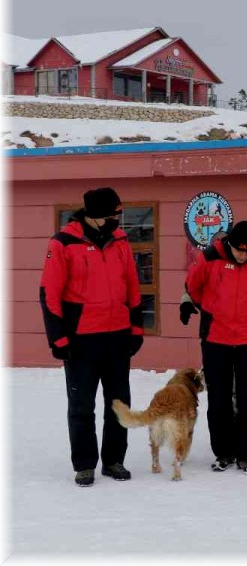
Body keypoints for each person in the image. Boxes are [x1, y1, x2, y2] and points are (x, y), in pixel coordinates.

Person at [40, 187, 144, 487]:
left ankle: (114, 461)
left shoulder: (121, 242)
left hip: (117, 337)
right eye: (114, 214)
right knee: (82, 406)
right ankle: (85, 464)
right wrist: (57, 338)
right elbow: (49, 293)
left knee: (119, 404)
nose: (117, 220)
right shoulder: (63, 243)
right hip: (81, 341)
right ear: (97, 215)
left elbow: (133, 287)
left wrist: (136, 328)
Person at [184, 220, 247, 476]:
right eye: (239, 250)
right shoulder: (211, 256)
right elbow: (193, 286)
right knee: (219, 400)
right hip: (216, 339)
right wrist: (209, 314)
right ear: (230, 244)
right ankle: (223, 452)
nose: (243, 255)